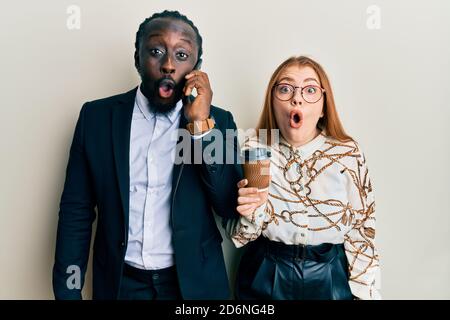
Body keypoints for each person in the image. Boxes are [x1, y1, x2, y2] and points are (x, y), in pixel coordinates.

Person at [53, 10, 242, 300]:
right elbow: (76, 211)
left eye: (181, 55)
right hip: (120, 284)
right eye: (156, 51)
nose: (168, 65)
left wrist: (201, 127)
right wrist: (69, 292)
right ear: (138, 58)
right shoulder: (96, 118)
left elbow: (228, 204)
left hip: (194, 287)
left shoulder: (220, 121)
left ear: (196, 67)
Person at [226, 56, 381, 300]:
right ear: (273, 103)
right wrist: (251, 213)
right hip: (266, 273)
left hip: (329, 274)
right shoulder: (255, 148)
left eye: (309, 90)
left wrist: (367, 294)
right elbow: (238, 236)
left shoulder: (347, 152)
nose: (296, 98)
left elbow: (362, 231)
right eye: (285, 89)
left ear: (323, 107)